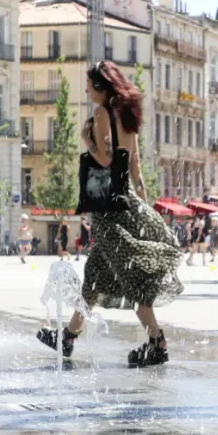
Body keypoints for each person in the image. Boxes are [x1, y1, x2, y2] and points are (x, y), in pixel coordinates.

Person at [35, 60, 183, 366]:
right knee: (94, 278)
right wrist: (144, 208)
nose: (87, 91)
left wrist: (87, 139)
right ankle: (68, 338)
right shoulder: (127, 117)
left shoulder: (102, 114)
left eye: (89, 86)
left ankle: (157, 342)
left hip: (108, 208)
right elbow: (135, 167)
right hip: (126, 200)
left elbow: (104, 159)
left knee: (132, 281)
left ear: (101, 87)